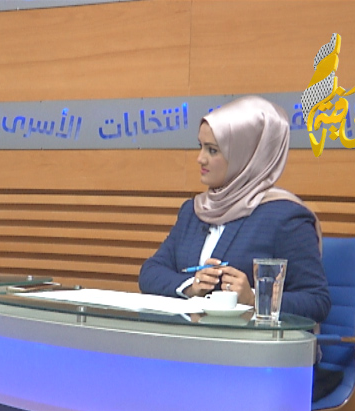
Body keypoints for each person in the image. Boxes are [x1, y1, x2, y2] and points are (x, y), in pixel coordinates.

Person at [138, 96, 330, 324]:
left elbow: (317, 301)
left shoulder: (285, 217)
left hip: (250, 344)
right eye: (201, 147)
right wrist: (191, 286)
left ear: (245, 156)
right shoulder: (194, 210)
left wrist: (255, 298)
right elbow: (150, 272)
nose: (200, 159)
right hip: (189, 337)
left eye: (212, 150)